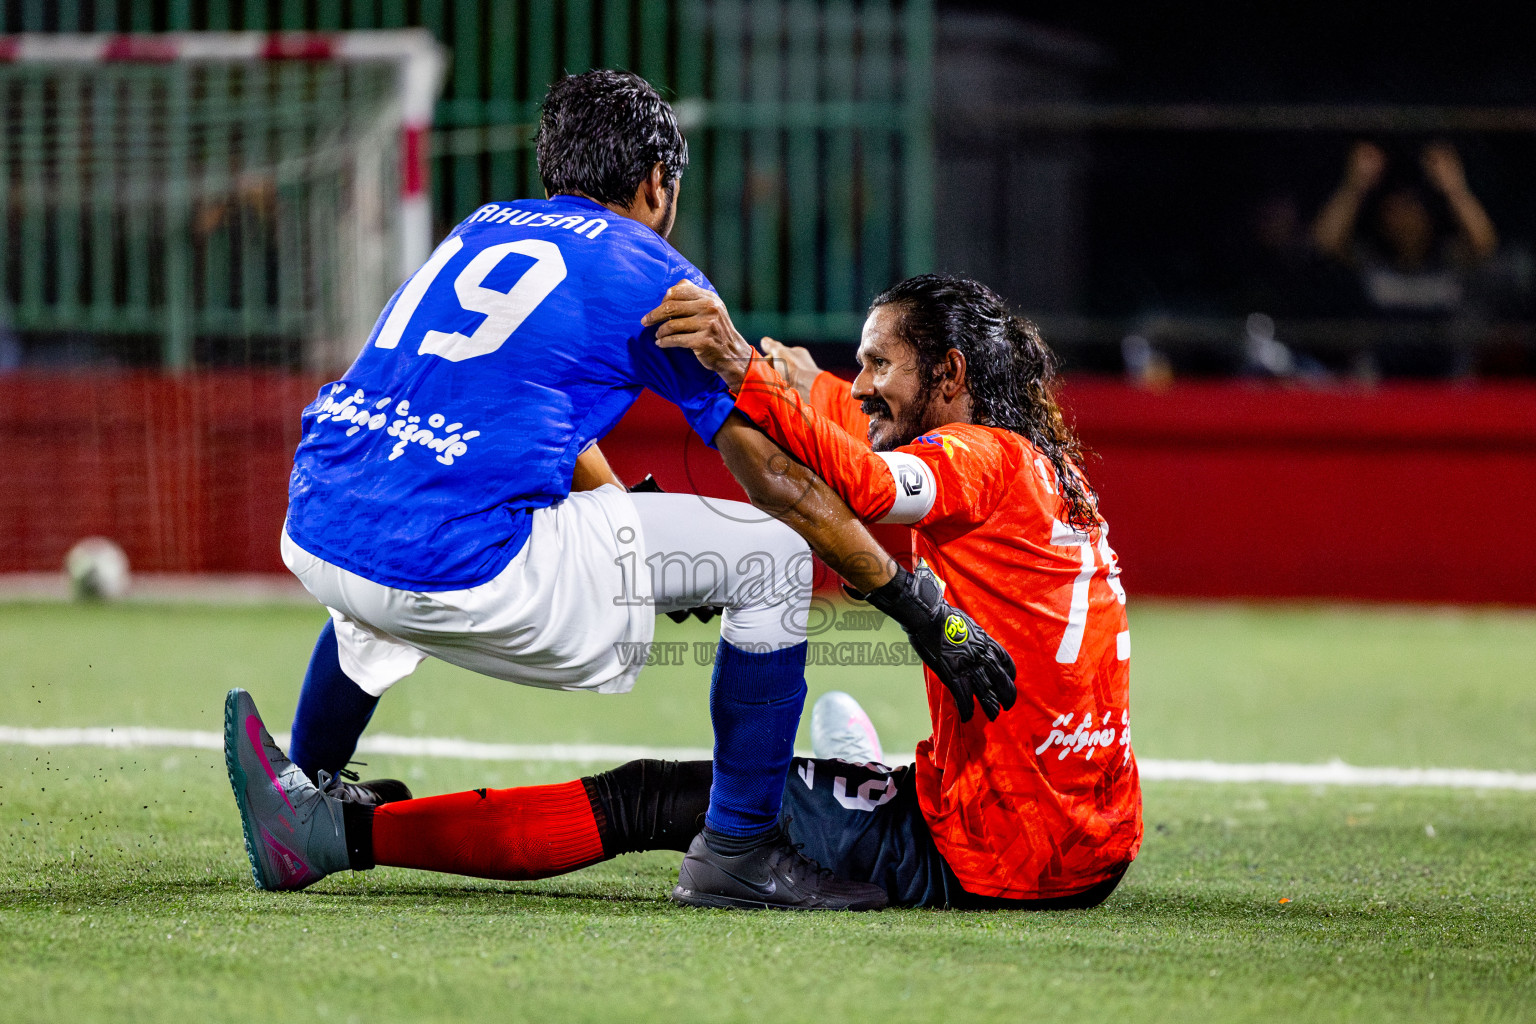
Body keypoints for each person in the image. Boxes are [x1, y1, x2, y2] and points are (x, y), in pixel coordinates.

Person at [228, 70, 1013, 912]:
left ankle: (304, 790)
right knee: (773, 558)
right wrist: (916, 605)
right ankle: (741, 851)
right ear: (655, 184)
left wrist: (630, 524)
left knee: (402, 522)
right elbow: (780, 483)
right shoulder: (656, 277)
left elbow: (526, 420)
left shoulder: (480, 228)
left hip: (320, 525)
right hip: (462, 572)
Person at [228, 273, 1135, 909]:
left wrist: (743, 371)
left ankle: (332, 838)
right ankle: (864, 770)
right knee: (839, 757)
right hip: (1095, 842)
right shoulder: (1047, 474)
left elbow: (864, 482)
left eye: (878, 366)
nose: (859, 384)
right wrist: (798, 382)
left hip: (999, 853)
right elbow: (844, 420)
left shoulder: (975, 459)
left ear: (951, 376)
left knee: (652, 798)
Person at [1311, 140, 1498, 375]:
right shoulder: (1373, 259)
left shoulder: (1449, 257)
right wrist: (1354, 186)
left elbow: (1484, 244)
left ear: (1428, 215)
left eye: (1411, 208)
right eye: (1394, 210)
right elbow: (1326, 242)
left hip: (1444, 380)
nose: (1404, 220)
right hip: (1383, 381)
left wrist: (1455, 189)